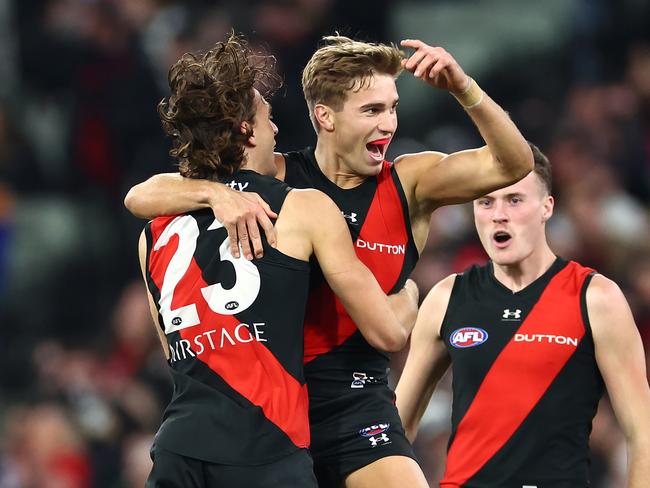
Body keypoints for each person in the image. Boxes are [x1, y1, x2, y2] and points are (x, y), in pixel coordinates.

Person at [126, 36, 534, 488]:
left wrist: (464, 88)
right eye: (372, 111)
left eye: (392, 107)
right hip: (276, 398)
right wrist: (214, 193)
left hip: (354, 402)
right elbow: (145, 194)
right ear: (326, 116)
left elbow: (514, 164)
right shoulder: (279, 178)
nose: (389, 124)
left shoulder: (411, 183)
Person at [139, 34, 418, 488]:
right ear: (247, 131)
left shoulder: (154, 230)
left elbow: (170, 344)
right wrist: (409, 294)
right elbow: (388, 333)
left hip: (177, 447)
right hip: (264, 447)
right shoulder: (304, 207)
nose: (276, 131)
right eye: (269, 120)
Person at [396, 144, 650, 487]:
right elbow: (397, 431)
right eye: (486, 202)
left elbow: (642, 433)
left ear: (547, 207)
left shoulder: (595, 298)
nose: (498, 214)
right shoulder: (447, 297)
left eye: (514, 200)